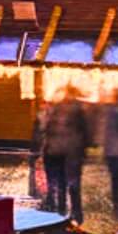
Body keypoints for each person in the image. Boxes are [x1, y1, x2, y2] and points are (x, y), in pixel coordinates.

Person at [40, 88, 89, 224]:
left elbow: (46, 130)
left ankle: (61, 211)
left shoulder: (55, 110)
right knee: (73, 184)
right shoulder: (78, 111)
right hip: (71, 151)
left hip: (57, 151)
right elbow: (84, 132)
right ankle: (76, 213)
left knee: (61, 182)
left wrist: (47, 148)